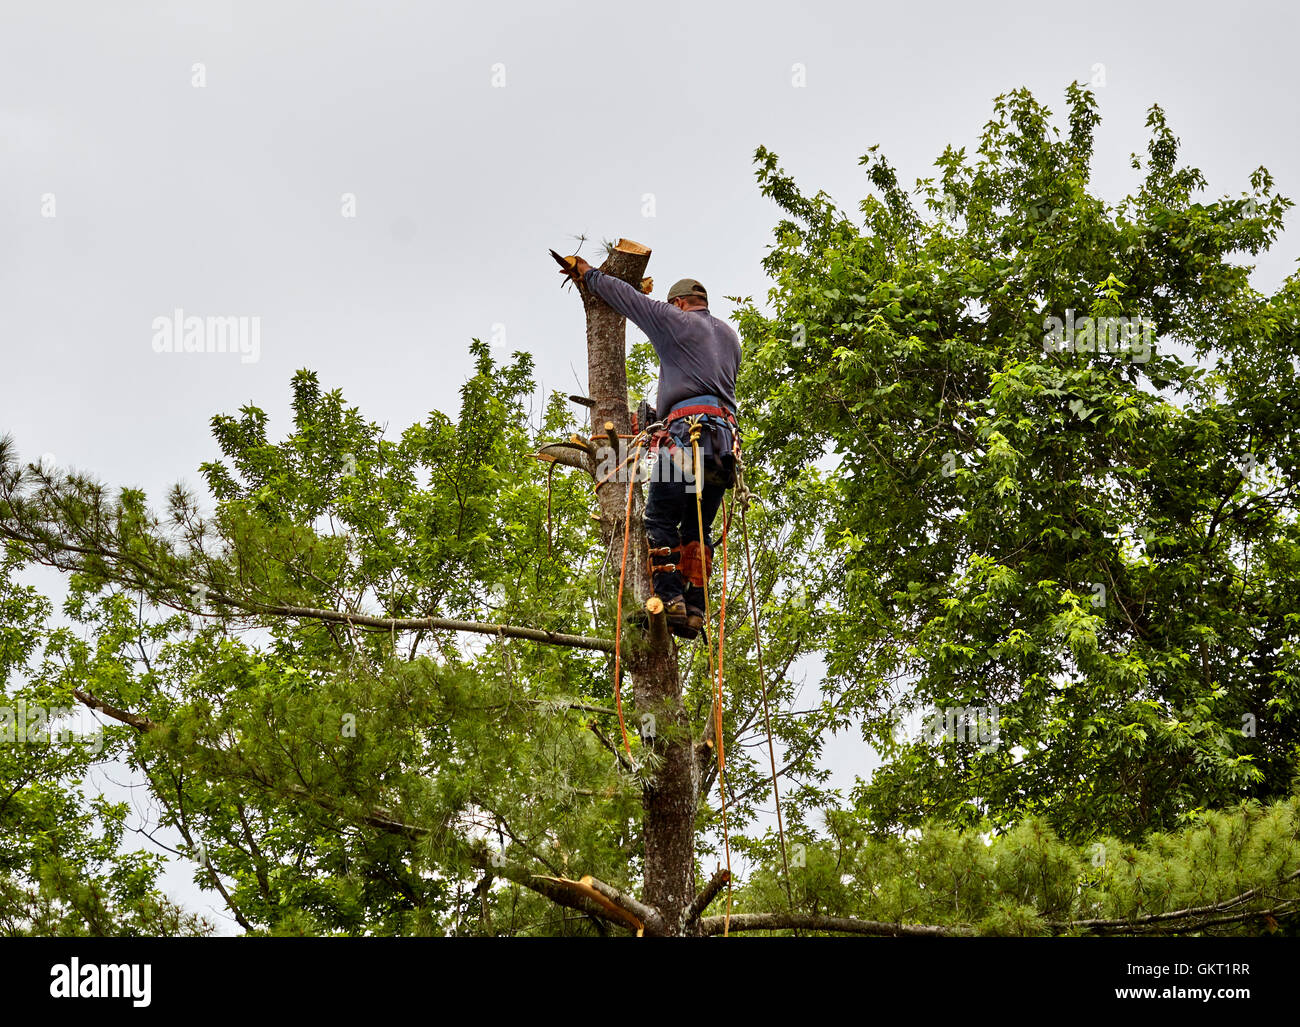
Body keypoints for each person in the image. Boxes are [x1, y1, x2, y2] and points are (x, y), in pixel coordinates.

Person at [566, 256, 740, 637]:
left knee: (660, 517)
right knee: (697, 526)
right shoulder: (729, 337)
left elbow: (627, 298)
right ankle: (695, 608)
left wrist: (589, 275)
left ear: (678, 303)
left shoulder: (674, 320)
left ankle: (670, 599)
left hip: (684, 438)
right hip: (723, 447)